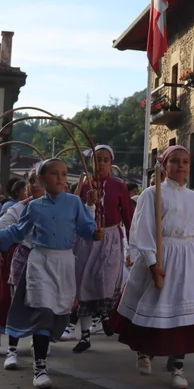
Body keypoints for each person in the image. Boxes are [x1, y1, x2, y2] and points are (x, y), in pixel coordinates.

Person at [0, 158, 101, 389]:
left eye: (64, 173)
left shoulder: (74, 202)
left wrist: (95, 234)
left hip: (64, 263)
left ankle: (41, 355)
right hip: (40, 262)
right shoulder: (34, 206)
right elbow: (18, 231)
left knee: (58, 312)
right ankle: (40, 368)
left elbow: (86, 228)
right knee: (43, 311)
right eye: (54, 173)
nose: (60, 178)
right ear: (42, 179)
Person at [110, 145, 194, 389]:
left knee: (182, 312)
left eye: (185, 162)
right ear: (164, 166)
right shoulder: (152, 194)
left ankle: (177, 365)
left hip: (188, 259)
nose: (180, 166)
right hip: (161, 254)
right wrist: (151, 262)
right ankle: (143, 350)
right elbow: (143, 229)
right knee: (154, 305)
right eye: (175, 161)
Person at [70, 145, 133, 353]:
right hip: (87, 239)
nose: (102, 163)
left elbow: (128, 217)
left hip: (111, 237)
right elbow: (77, 216)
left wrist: (133, 247)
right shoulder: (83, 187)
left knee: (106, 276)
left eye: (106, 159)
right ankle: (85, 335)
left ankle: (105, 315)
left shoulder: (119, 186)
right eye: (98, 159)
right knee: (85, 282)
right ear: (91, 162)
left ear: (111, 163)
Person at [0, 166, 44, 360]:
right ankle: (2, 338)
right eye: (30, 182)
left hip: (46, 258)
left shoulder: (58, 204)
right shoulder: (18, 208)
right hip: (20, 256)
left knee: (42, 301)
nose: (34, 185)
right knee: (9, 298)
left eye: (39, 181)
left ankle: (38, 340)